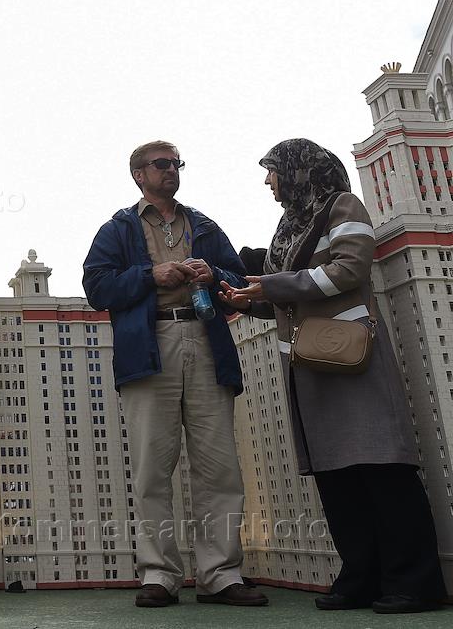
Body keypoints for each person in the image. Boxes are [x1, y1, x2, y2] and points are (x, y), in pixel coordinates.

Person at [219, 138, 447, 614]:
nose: (268, 181)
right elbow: (290, 298)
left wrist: (273, 283)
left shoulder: (343, 205)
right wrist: (248, 300)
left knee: (382, 468)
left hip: (351, 360)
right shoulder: (290, 227)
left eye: (273, 171)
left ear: (299, 170)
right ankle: (361, 577)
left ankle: (415, 581)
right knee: (337, 478)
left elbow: (348, 268)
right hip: (309, 368)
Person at [83, 140, 268, 607]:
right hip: (151, 345)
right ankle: (159, 574)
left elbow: (237, 279)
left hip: (206, 339)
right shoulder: (117, 228)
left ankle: (221, 574)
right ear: (138, 175)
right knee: (151, 467)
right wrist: (150, 276)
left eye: (176, 163)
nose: (171, 170)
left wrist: (212, 273)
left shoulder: (203, 224)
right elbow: (97, 286)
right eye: (161, 164)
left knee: (219, 463)